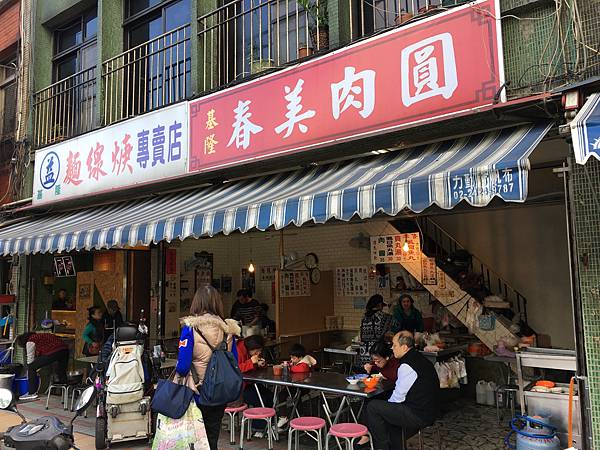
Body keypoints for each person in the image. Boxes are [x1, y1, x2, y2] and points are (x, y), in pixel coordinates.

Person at [175, 285, 241, 450]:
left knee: (196, 439)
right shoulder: (229, 330)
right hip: (220, 392)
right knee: (212, 436)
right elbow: (234, 362)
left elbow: (183, 366)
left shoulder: (190, 328)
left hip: (197, 391)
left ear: (197, 303)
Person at [366, 331, 439, 450]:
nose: (392, 348)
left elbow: (398, 398)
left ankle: (382, 447)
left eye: (394, 345)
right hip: (429, 410)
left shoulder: (407, 365)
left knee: (373, 407)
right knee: (388, 412)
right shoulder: (419, 358)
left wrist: (387, 408)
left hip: (419, 414)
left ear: (404, 347)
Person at [16, 332, 69, 400]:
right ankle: (65, 394)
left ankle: (31, 393)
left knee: (31, 368)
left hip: (53, 351)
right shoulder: (41, 335)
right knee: (61, 372)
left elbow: (30, 360)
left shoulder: (30, 341)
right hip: (64, 350)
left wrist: (30, 371)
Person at [236, 335, 270, 437]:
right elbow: (236, 369)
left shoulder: (250, 351)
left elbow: (251, 367)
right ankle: (258, 429)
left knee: (270, 396)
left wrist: (261, 364)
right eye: (257, 351)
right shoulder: (238, 351)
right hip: (238, 388)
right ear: (251, 348)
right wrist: (251, 362)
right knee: (260, 399)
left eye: (260, 351)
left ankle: (268, 425)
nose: (258, 353)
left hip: (250, 383)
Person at [359, 294, 398, 365]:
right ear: (380, 305)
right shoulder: (382, 316)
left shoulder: (364, 317)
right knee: (376, 370)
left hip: (364, 350)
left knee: (366, 370)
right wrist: (392, 308)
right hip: (377, 351)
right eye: (382, 305)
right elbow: (397, 324)